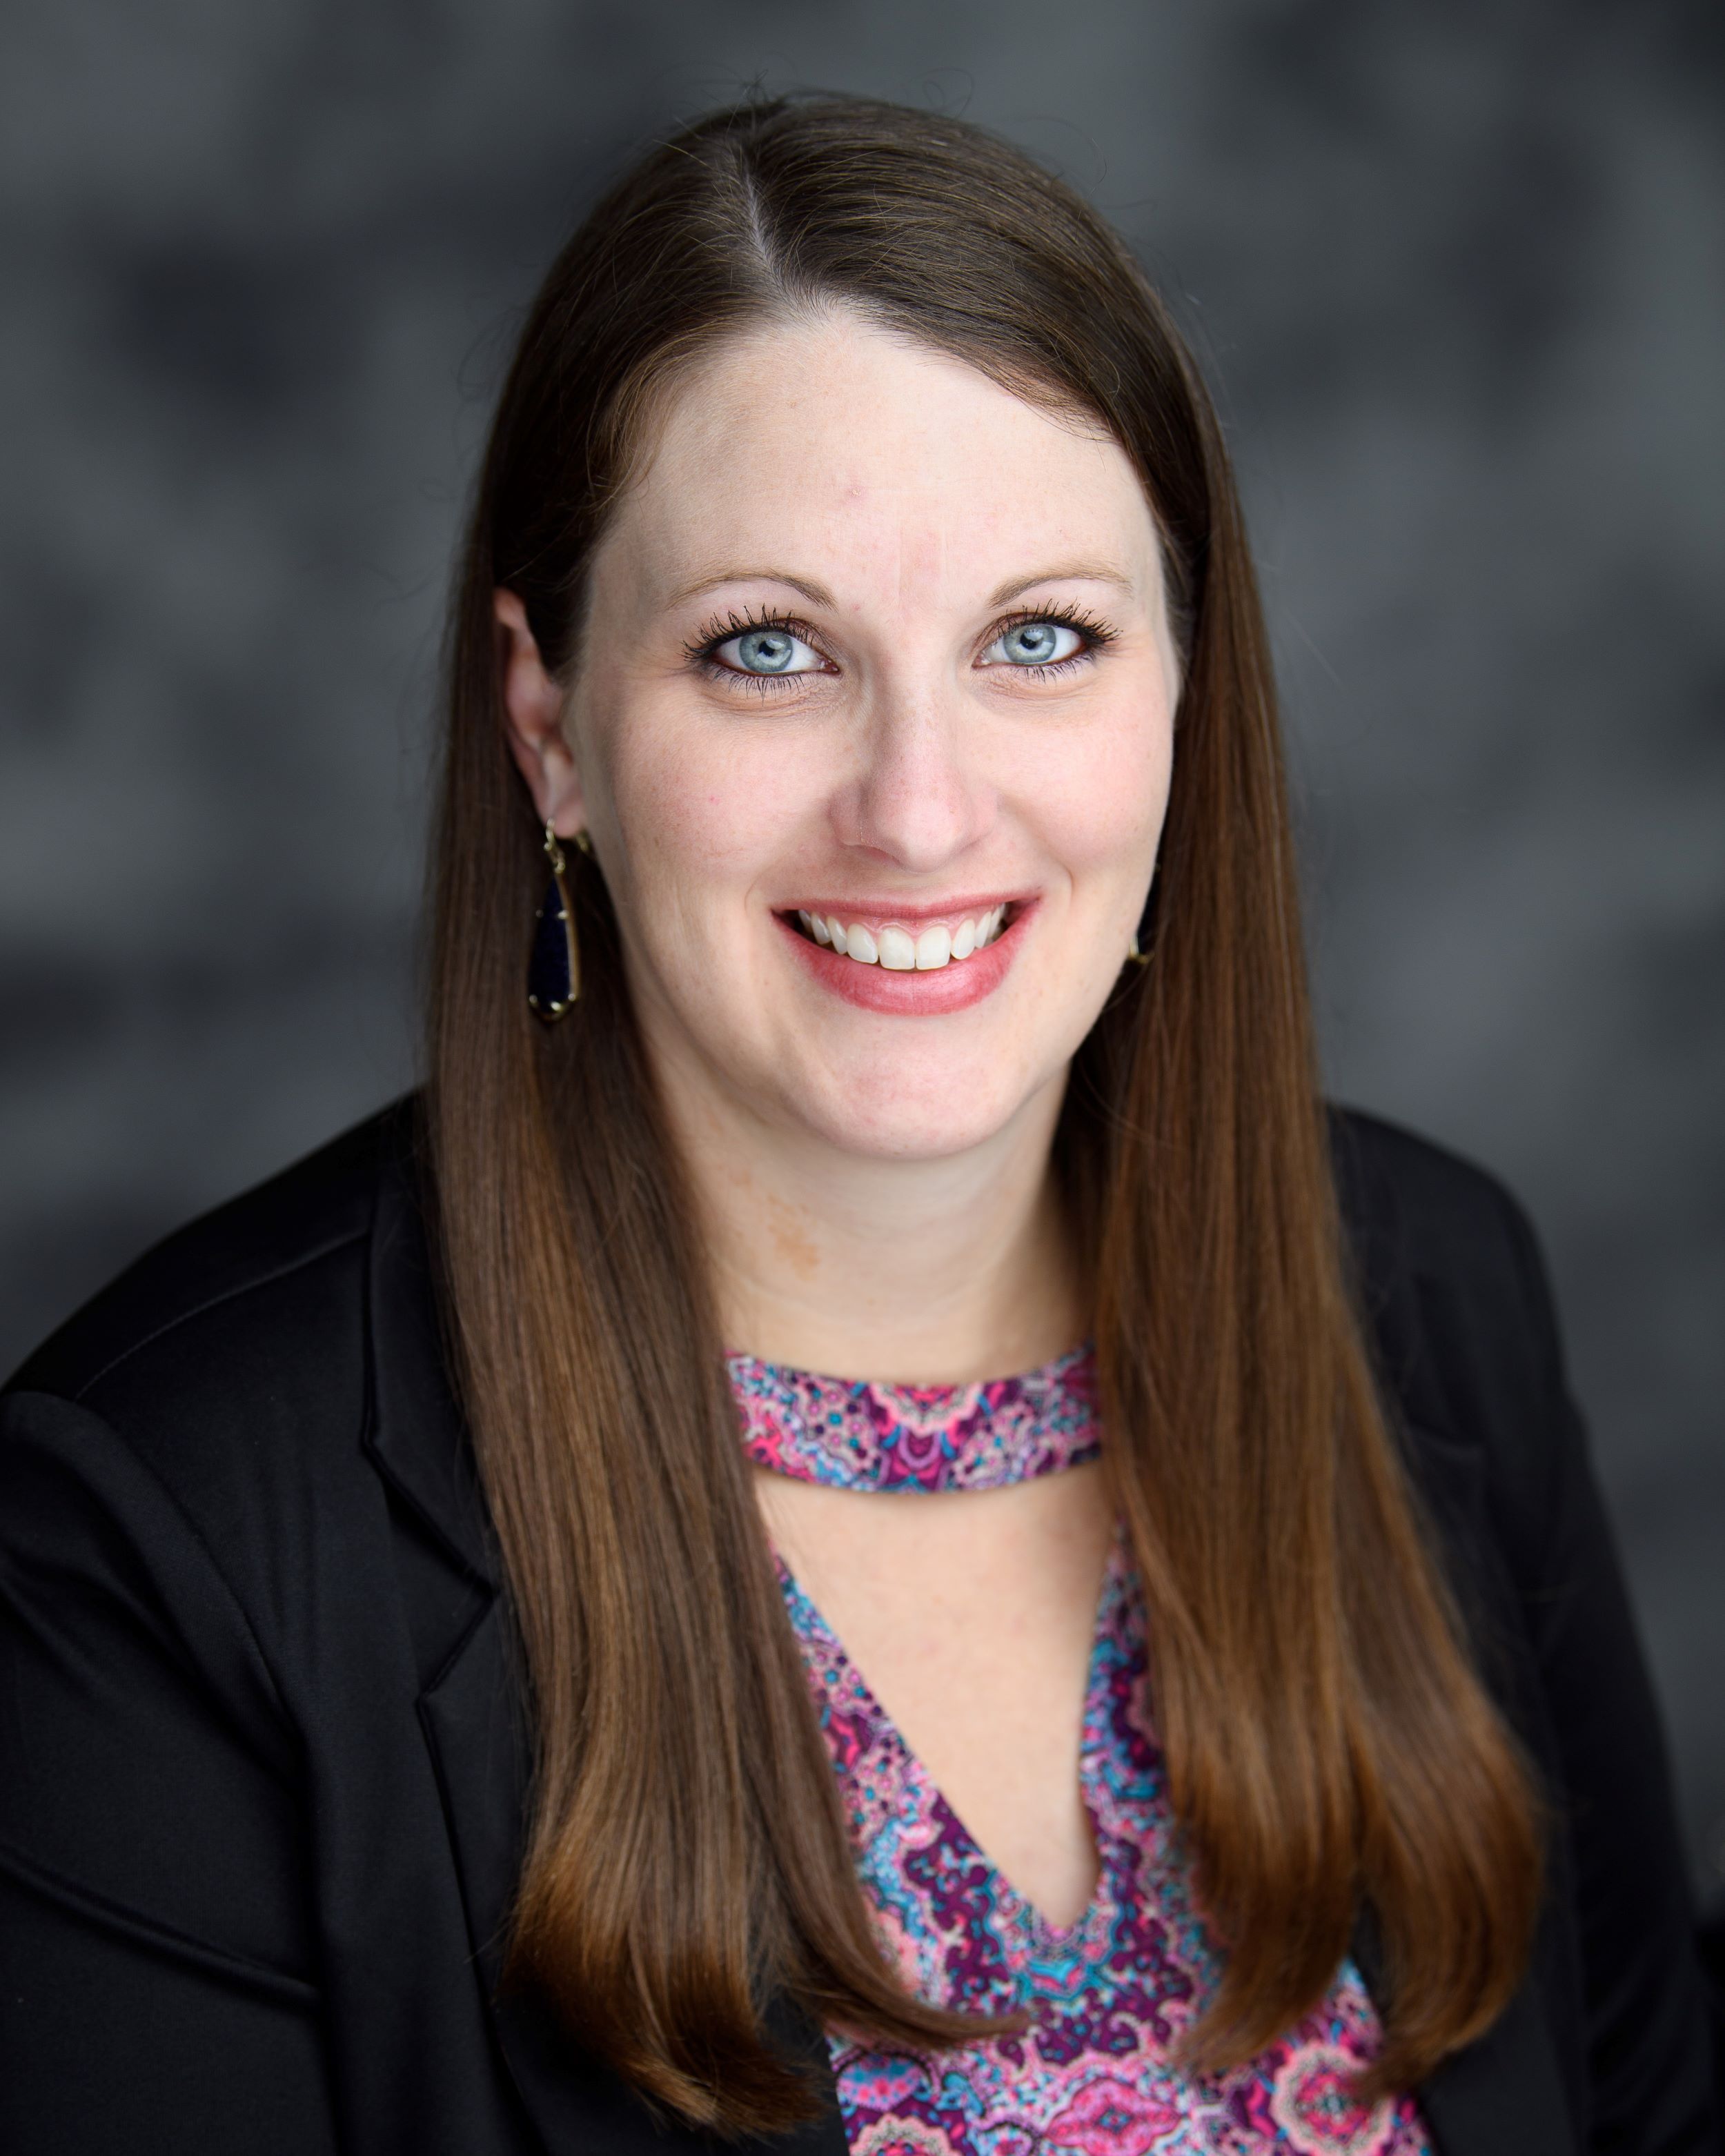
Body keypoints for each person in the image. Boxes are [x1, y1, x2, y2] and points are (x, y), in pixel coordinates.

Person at [0, 95, 1713, 2156]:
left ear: (1184, 696)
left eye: (1039, 640)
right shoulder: (157, 1542)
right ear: (549, 728)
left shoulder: (1429, 1296)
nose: (917, 808)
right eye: (769, 651)